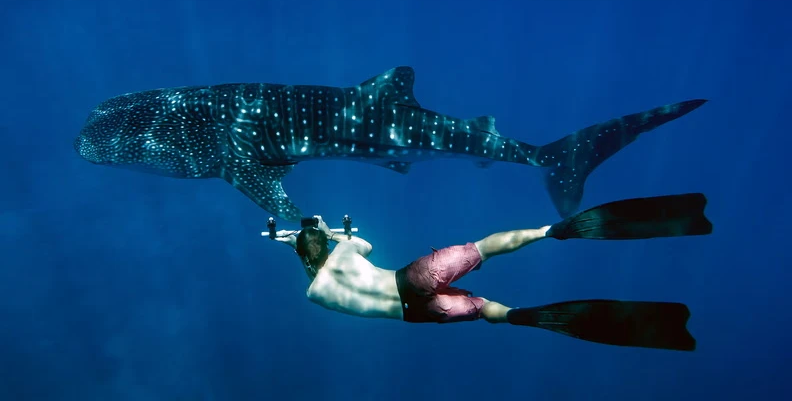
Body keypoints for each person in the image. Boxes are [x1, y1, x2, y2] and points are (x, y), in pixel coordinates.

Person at [272, 193, 712, 351]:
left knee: (485, 310)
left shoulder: (314, 293)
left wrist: (299, 244)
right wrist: (323, 233)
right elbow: (361, 244)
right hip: (410, 277)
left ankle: (524, 315)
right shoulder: (345, 253)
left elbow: (313, 262)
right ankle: (550, 231)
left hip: (417, 313)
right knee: (483, 247)